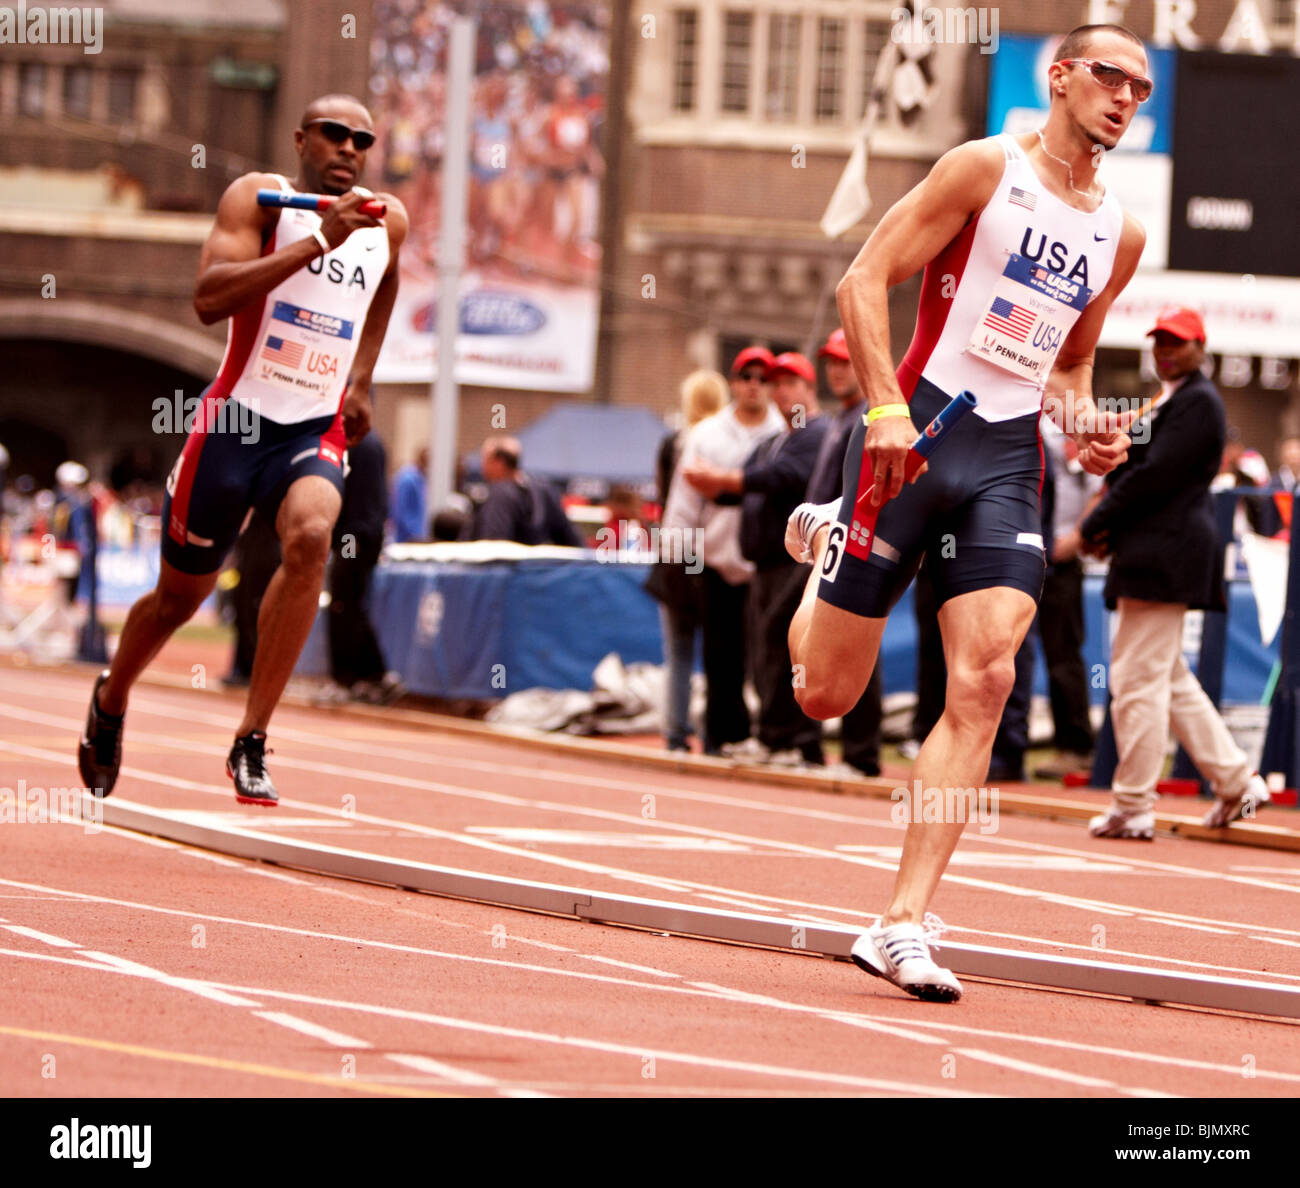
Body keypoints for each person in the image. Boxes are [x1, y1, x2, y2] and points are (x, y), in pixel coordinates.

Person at [782, 24, 1149, 1001]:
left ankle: (900, 922)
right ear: (1060, 76)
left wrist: (1088, 425)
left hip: (1004, 461)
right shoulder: (983, 169)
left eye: (1141, 87)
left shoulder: (1122, 230)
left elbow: (1068, 364)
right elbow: (862, 281)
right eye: (1109, 75)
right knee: (822, 697)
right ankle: (827, 549)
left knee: (985, 676)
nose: (1125, 96)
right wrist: (883, 411)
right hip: (915, 432)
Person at [78, 94, 407, 806]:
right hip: (236, 425)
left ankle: (252, 738)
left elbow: (386, 287)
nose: (349, 147)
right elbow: (208, 297)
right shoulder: (258, 202)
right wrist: (319, 240)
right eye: (334, 134)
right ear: (301, 140)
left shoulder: (388, 223)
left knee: (314, 534)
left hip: (311, 429)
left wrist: (361, 379)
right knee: (176, 601)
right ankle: (113, 695)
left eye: (362, 139)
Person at [1080, 307, 1270, 838]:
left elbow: (1153, 479)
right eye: (1159, 340)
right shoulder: (1172, 400)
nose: (1166, 349)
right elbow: (1136, 470)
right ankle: (1238, 784)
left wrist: (1094, 524)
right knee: (1167, 678)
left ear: (1200, 346)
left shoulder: (1198, 403)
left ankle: (1134, 804)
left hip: (1165, 555)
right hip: (1157, 552)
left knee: (1135, 679)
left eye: (1177, 342)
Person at [681, 352, 828, 766]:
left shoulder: (816, 432)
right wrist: (715, 486)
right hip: (761, 562)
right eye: (775, 383)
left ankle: (794, 741)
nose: (780, 391)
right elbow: (746, 486)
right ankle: (773, 735)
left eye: (789, 382)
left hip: (796, 559)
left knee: (787, 650)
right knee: (764, 651)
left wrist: (723, 479)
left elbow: (781, 477)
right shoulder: (773, 439)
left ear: (808, 388)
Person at [662, 347, 784, 755]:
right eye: (746, 376)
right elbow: (682, 505)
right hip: (714, 559)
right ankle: (719, 736)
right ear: (733, 383)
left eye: (763, 378)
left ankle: (764, 738)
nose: (754, 385)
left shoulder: (783, 432)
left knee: (766, 656)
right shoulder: (706, 434)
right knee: (719, 656)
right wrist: (678, 561)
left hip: (766, 563)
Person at [806, 328, 886, 777]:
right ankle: (818, 749)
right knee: (821, 645)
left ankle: (860, 754)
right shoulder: (838, 418)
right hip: (826, 542)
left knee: (856, 644)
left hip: (858, 545)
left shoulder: (876, 417)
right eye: (831, 362)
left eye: (845, 360)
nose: (836, 370)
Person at [646, 369, 729, 752]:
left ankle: (676, 732)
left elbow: (665, 501)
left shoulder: (675, 443)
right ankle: (715, 733)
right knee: (719, 649)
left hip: (681, 551)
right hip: (713, 550)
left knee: (679, 650)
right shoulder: (724, 441)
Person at [319, 428, 404, 706]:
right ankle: (375, 674)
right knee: (350, 604)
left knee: (343, 604)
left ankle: (347, 679)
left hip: (353, 536)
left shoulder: (357, 443)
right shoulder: (369, 443)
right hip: (360, 534)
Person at [462, 435, 582, 546]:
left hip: (503, 567)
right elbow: (574, 542)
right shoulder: (544, 491)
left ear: (499, 462)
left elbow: (492, 546)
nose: (482, 468)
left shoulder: (501, 495)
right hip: (537, 567)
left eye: (485, 461)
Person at [392, 446, 429, 543]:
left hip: (416, 534)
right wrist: (413, 534)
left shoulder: (420, 479)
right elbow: (400, 509)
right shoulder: (408, 479)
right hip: (407, 536)